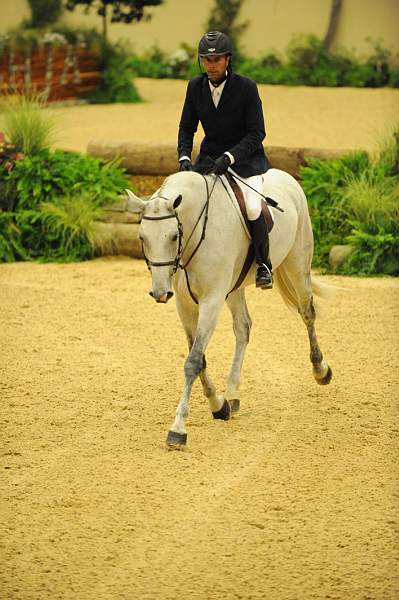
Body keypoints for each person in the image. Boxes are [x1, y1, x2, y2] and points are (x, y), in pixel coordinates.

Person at [177, 30, 273, 289]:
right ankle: (182, 261)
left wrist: (230, 157)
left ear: (228, 60)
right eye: (207, 60)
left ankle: (264, 265)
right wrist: (185, 156)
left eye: (217, 59)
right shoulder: (195, 87)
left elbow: (257, 133)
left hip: (245, 160)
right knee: (186, 203)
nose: (211, 65)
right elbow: (187, 128)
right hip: (209, 160)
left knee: (253, 207)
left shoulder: (246, 88)